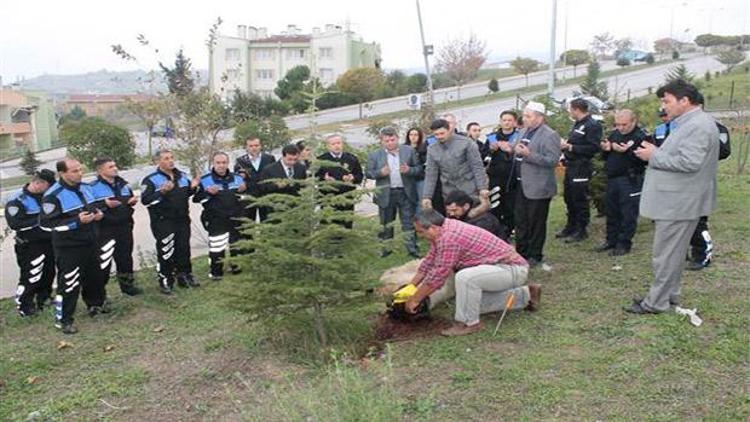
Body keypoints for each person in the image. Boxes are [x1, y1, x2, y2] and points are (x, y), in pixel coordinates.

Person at [626, 79, 719, 314]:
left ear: (684, 101)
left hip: (678, 202)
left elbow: (689, 163)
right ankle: (668, 296)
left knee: (665, 255)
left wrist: (654, 155)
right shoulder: (690, 123)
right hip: (679, 200)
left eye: (667, 101)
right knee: (674, 254)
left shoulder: (698, 125)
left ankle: (656, 303)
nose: (664, 106)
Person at [404, 210, 541, 337]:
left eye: (421, 232)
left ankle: (469, 323)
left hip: (512, 269)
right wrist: (410, 287)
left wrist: (415, 299)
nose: (420, 236)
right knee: (470, 303)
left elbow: (438, 275)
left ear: (433, 227)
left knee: (465, 278)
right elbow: (429, 263)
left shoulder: (449, 238)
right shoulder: (443, 229)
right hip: (496, 269)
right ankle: (527, 294)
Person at [41, 158, 105, 334]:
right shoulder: (53, 195)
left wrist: (99, 214)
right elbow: (47, 224)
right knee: (69, 283)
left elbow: (95, 207)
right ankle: (64, 320)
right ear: (62, 173)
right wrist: (76, 221)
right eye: (75, 171)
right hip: (69, 247)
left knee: (94, 277)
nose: (80, 173)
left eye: (80, 169)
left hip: (90, 241)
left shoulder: (86, 188)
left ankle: (95, 305)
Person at [141, 149, 200, 294]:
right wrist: (161, 192)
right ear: (158, 161)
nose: (171, 161)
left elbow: (187, 193)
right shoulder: (151, 180)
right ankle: (166, 280)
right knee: (166, 251)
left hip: (182, 219)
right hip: (163, 221)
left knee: (183, 248)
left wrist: (193, 187)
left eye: (172, 157)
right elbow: (146, 200)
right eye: (166, 158)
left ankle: (185, 276)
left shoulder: (182, 176)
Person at [513, 101, 561, 267]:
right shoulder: (523, 131)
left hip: (539, 187)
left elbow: (553, 160)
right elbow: (517, 150)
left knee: (536, 222)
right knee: (521, 221)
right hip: (521, 185)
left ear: (540, 117)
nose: (524, 119)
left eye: (528, 116)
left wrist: (529, 154)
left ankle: (535, 254)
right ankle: (521, 252)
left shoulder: (549, 135)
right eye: (524, 115)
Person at [5, 169, 57, 317]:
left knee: (48, 272)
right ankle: (25, 307)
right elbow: (15, 224)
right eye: (48, 186)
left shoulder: (47, 196)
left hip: (48, 242)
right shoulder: (17, 199)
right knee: (31, 275)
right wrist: (42, 220)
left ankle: (44, 299)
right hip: (29, 245)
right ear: (39, 183)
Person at [366, 126, 423, 257]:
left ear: (397, 138)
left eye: (392, 140)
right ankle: (386, 249)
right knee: (386, 223)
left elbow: (419, 169)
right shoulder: (375, 155)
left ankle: (412, 249)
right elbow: (368, 173)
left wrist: (409, 170)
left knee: (408, 222)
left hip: (405, 192)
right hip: (386, 194)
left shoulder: (408, 151)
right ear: (381, 141)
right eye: (387, 141)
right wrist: (380, 173)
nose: (390, 143)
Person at [598, 110, 648, 256]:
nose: (620, 128)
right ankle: (611, 240)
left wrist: (627, 151)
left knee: (628, 213)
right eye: (617, 124)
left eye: (624, 124)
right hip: (613, 178)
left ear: (634, 121)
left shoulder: (641, 136)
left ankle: (624, 244)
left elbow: (644, 159)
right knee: (612, 211)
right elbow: (606, 155)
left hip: (630, 179)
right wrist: (607, 149)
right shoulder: (615, 134)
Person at [89, 157, 142, 296]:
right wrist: (104, 205)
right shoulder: (92, 188)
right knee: (103, 261)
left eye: (115, 165)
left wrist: (130, 203)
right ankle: (100, 293)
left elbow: (129, 200)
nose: (115, 168)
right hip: (105, 230)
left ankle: (128, 286)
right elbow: (89, 207)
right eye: (110, 167)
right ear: (100, 170)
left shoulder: (123, 185)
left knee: (125, 258)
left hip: (124, 227)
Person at [194, 152, 247, 280]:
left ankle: (236, 267)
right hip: (216, 219)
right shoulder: (205, 180)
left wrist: (244, 190)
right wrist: (208, 193)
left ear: (228, 163)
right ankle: (216, 272)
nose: (221, 165)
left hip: (235, 217)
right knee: (217, 247)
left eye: (224, 163)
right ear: (213, 163)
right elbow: (196, 199)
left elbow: (244, 197)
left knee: (236, 244)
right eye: (218, 163)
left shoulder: (237, 178)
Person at [557, 98, 603, 242]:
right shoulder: (577, 124)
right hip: (570, 165)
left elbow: (593, 147)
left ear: (576, 109)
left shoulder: (592, 125)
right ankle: (570, 226)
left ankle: (581, 229)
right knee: (569, 197)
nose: (569, 112)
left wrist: (571, 147)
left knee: (579, 198)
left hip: (581, 166)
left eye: (570, 109)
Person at [421, 119, 489, 210]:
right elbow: (431, 174)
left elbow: (477, 167)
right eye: (436, 135)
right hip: (449, 191)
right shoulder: (432, 149)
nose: (439, 137)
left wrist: (482, 188)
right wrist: (427, 196)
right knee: (454, 220)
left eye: (442, 133)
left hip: (469, 188)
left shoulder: (466, 143)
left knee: (473, 218)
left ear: (449, 130)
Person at [315, 134, 364, 229]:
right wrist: (324, 179)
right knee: (329, 224)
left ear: (342, 144)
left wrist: (352, 177)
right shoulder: (321, 159)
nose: (336, 146)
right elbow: (315, 178)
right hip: (328, 198)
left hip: (347, 197)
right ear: (328, 146)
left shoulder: (351, 158)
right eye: (333, 144)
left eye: (338, 143)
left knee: (346, 223)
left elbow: (360, 176)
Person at [485, 110, 521, 239]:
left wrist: (511, 149)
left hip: (513, 178)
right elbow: (483, 157)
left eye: (509, 120)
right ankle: (496, 232)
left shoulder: (519, 136)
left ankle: (510, 230)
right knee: (495, 206)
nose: (507, 123)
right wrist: (491, 149)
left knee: (511, 207)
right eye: (504, 120)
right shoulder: (491, 137)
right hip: (496, 178)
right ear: (500, 122)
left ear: (515, 122)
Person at [234, 137, 276, 223]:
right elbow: (238, 180)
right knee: (248, 223)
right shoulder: (240, 161)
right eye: (251, 146)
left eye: (256, 145)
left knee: (268, 222)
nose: (254, 148)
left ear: (260, 146)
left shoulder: (269, 158)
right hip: (249, 197)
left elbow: (274, 176)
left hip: (266, 196)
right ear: (246, 147)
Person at [405, 127, 427, 214]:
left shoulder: (424, 148)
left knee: (420, 201)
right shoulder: (403, 148)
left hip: (420, 178)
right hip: (408, 179)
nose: (413, 137)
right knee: (409, 201)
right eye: (411, 135)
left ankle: (419, 220)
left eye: (416, 135)